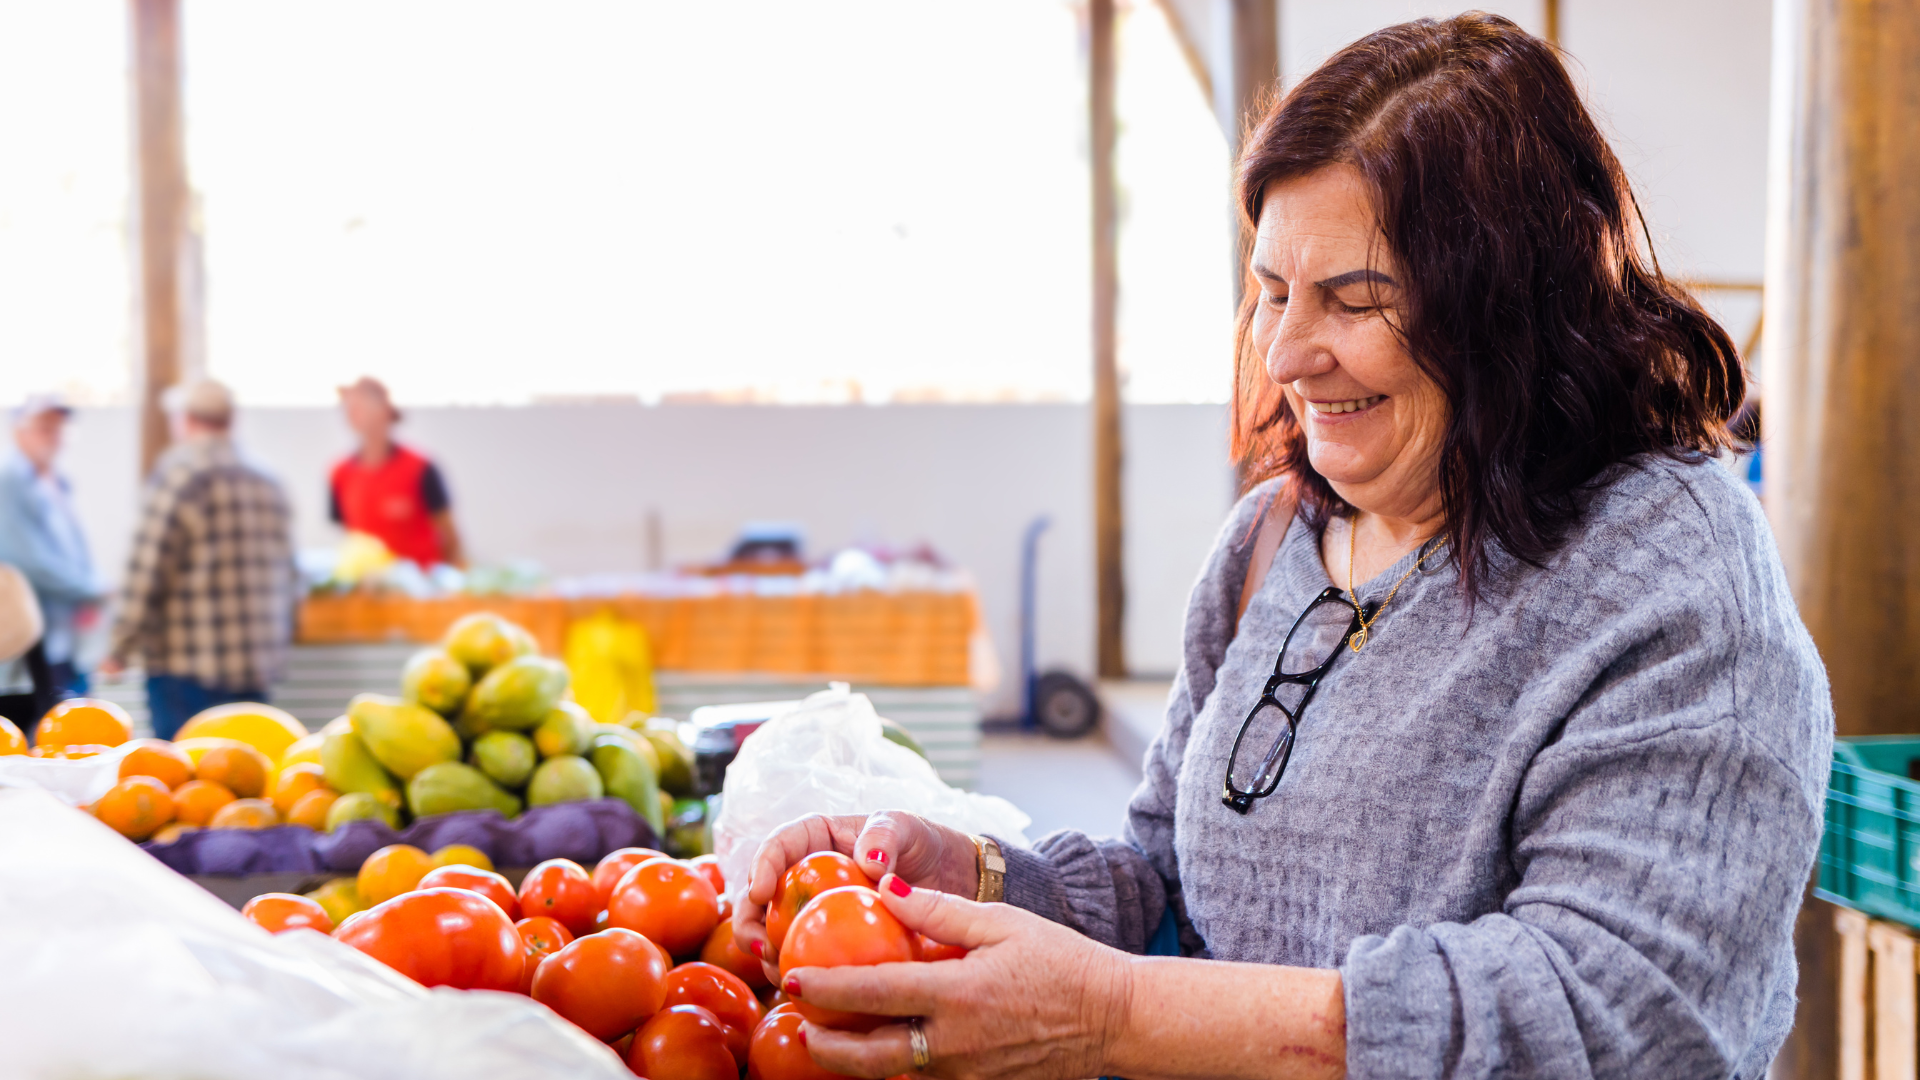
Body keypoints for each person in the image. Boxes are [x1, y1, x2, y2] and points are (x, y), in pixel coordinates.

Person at [733, 16, 1831, 1080]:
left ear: (1514, 311)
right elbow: (1170, 885)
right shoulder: (1276, 540)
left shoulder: (1671, 586)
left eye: (1354, 301)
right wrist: (979, 879)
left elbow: (1615, 1020)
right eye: (1269, 293)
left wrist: (1115, 1019)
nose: (1291, 353)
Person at [98, 380, 296, 739]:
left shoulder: (182, 474)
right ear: (229, 421)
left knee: (188, 783)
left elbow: (146, 569)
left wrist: (118, 647)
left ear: (184, 420)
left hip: (187, 666)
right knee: (248, 777)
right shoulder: (268, 480)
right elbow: (290, 572)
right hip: (254, 665)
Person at [0, 394, 102, 701]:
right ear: (19, 431)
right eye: (44, 428)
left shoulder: (58, 481)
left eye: (58, 428)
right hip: (29, 642)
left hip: (63, 634)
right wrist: (91, 590)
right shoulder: (10, 480)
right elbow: (26, 559)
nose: (54, 437)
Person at [329, 376, 464, 567]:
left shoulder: (421, 467)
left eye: (359, 405)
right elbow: (349, 536)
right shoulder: (339, 472)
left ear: (384, 410)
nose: (351, 412)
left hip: (421, 587)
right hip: (369, 587)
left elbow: (450, 534)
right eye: (348, 407)